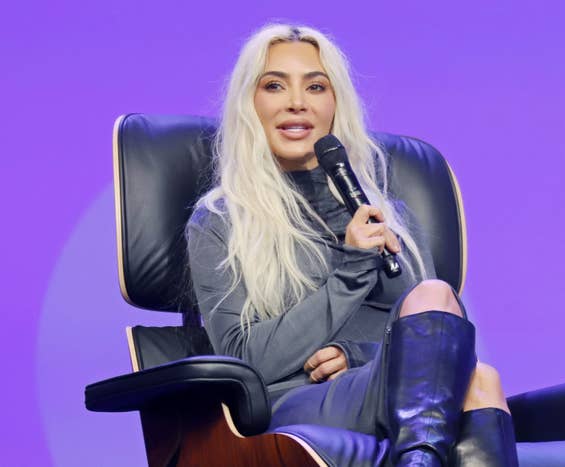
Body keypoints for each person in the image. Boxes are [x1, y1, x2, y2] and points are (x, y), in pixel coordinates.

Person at [186, 24, 518, 466]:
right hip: (293, 402)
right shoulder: (221, 221)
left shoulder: (386, 215)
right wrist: (352, 269)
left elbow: (444, 345)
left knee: (471, 366)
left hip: (384, 386)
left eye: (316, 86)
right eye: (274, 85)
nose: (297, 102)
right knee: (478, 382)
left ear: (335, 103)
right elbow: (244, 360)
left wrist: (356, 354)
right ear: (250, 103)